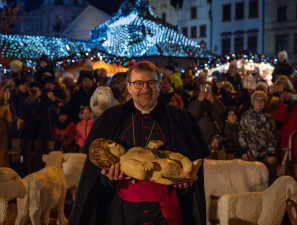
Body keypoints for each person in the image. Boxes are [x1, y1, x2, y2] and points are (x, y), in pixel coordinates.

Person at [68, 61, 210, 225]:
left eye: (151, 83)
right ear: (128, 87)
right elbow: (93, 179)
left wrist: (186, 184)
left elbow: (194, 177)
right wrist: (109, 179)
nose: (145, 89)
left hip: (166, 212)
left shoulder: (180, 118)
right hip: (123, 210)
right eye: (138, 83)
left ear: (159, 85)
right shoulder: (111, 118)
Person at [239, 90, 276, 163]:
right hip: (250, 154)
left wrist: (271, 153)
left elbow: (271, 135)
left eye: (262, 100)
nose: (260, 102)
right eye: (257, 100)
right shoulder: (246, 115)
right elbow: (241, 133)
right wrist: (244, 150)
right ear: (253, 102)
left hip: (264, 155)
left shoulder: (267, 117)